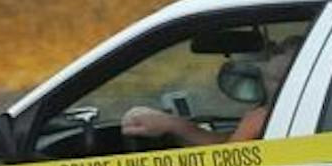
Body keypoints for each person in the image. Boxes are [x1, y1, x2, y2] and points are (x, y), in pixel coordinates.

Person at [121, 34, 302, 147]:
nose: (266, 55)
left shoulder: (262, 119)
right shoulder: (289, 117)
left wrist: (171, 125)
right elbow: (225, 144)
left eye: (278, 51)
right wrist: (170, 125)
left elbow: (225, 161)